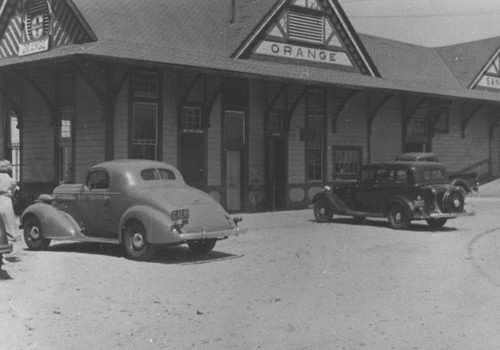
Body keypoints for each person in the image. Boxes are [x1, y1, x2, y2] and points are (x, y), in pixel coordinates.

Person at [0, 160, 19, 243]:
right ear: (8, 169)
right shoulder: (12, 181)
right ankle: (10, 239)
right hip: (7, 200)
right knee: (9, 221)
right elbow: (14, 192)